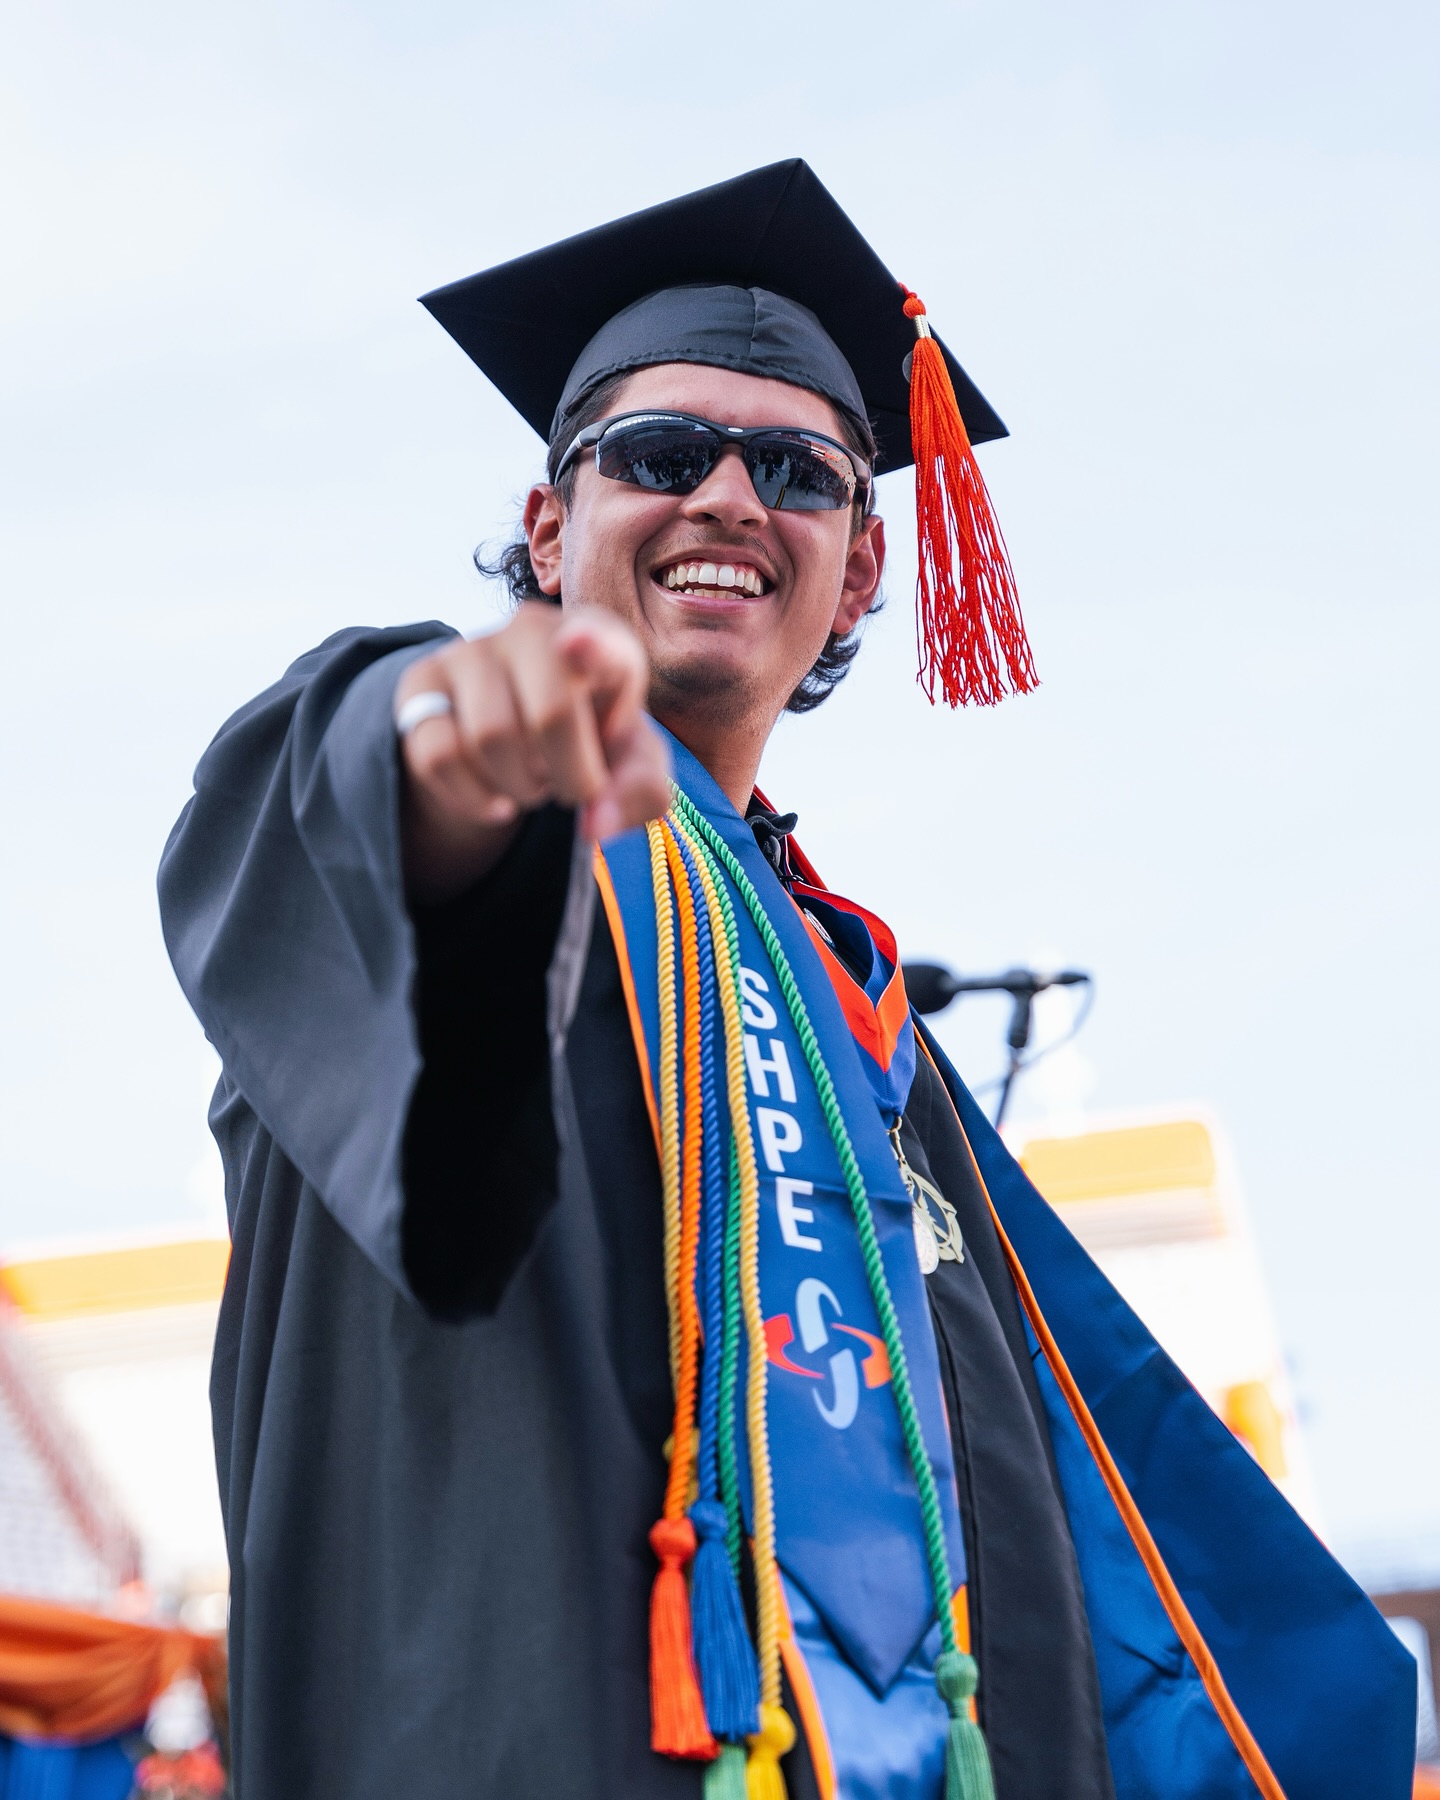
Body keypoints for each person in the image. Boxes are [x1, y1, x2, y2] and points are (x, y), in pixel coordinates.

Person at [160, 162, 1413, 1800]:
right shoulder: (461, 785)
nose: (731, 498)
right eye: (661, 455)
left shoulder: (857, 1018)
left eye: (801, 473)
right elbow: (367, 801)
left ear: (862, 570)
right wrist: (453, 763)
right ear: (549, 527)